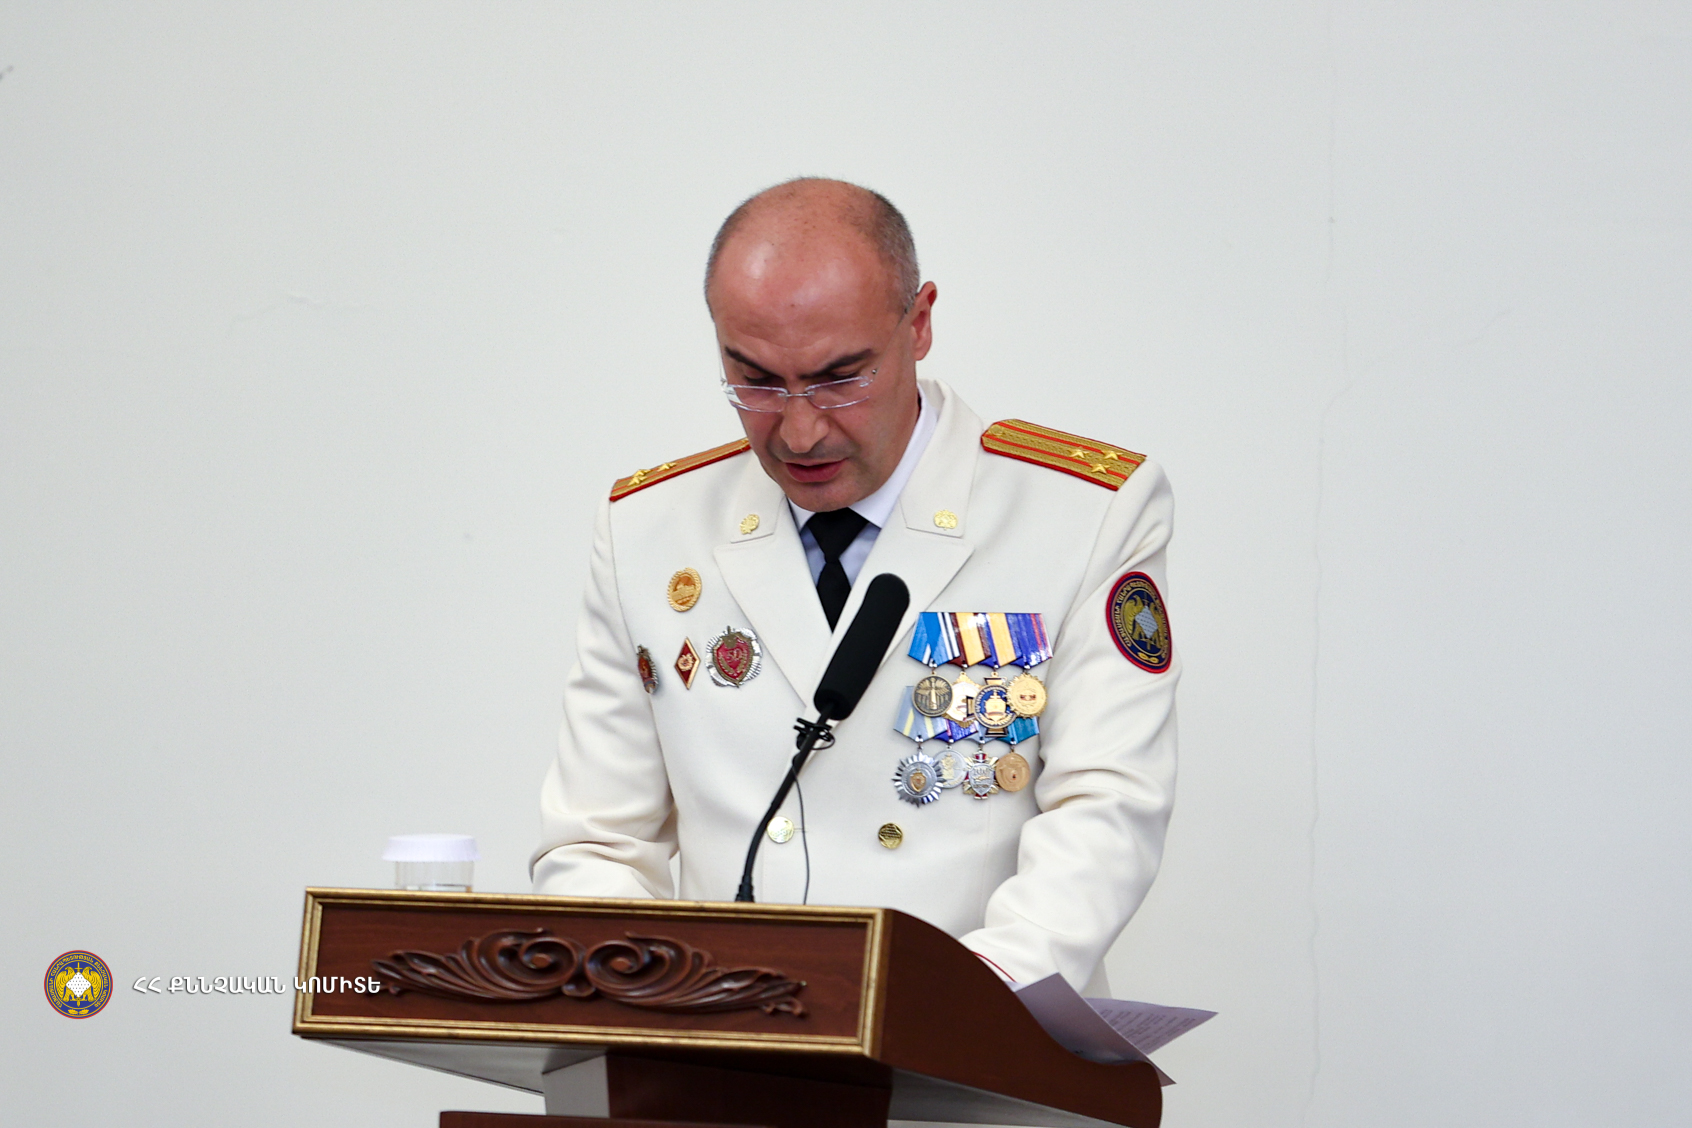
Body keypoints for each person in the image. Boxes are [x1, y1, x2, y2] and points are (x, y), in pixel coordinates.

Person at [532, 178, 1178, 993]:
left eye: (840, 378)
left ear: (920, 323)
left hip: (974, 1041)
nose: (800, 432)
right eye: (756, 381)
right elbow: (598, 842)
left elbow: (1105, 813)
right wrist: (649, 1002)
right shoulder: (647, 529)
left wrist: (945, 1013)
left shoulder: (1083, 514)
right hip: (721, 1050)